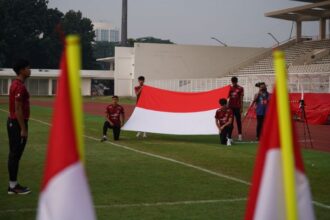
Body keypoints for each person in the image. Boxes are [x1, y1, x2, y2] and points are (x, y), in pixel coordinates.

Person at [7, 59, 31, 195]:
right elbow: (18, 109)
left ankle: (13, 184)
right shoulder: (19, 86)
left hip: (14, 122)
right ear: (22, 70)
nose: (30, 70)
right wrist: (23, 128)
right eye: (28, 68)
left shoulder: (17, 84)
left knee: (14, 155)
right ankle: (13, 186)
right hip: (17, 123)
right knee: (15, 155)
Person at [228, 76, 244, 141]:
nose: (233, 83)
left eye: (234, 82)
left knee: (238, 121)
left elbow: (241, 98)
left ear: (237, 81)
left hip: (237, 107)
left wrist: (241, 107)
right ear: (231, 82)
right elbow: (227, 96)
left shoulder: (241, 88)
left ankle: (240, 135)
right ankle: (229, 136)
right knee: (230, 122)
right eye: (233, 82)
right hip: (231, 107)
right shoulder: (230, 88)